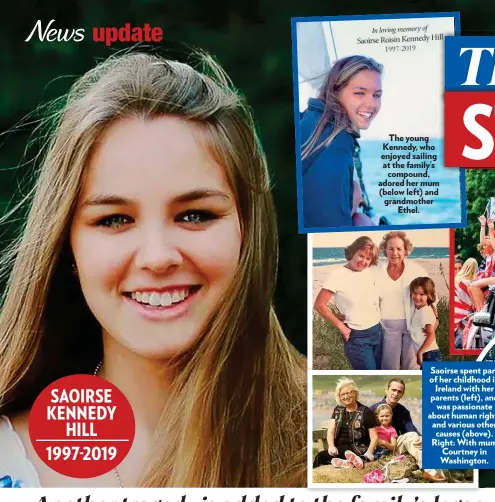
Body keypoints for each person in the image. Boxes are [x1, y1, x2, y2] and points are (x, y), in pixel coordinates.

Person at [0, 52, 306, 488]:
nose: (158, 257)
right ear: (67, 244)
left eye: (195, 215)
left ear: (248, 231)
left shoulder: (343, 445)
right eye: (114, 220)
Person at [300, 55, 382, 229]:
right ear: (335, 91)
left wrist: (356, 192)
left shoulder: (311, 119)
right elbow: (329, 227)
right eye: (360, 93)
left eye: (376, 95)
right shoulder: (335, 141)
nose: (371, 104)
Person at [314, 236, 382, 370]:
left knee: (379, 373)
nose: (363, 261)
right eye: (361, 256)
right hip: (357, 338)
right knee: (369, 375)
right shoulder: (337, 275)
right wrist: (341, 327)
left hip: (378, 333)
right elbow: (319, 305)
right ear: (352, 252)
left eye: (368, 259)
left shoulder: (368, 272)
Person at [374, 231, 433, 370]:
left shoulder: (417, 270)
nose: (395, 253)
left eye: (399, 249)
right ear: (384, 250)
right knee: (389, 366)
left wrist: (433, 322)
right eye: (390, 248)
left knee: (412, 365)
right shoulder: (376, 270)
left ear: (406, 250)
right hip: (387, 326)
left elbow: (430, 297)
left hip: (413, 325)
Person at [370, 378, 446, 482]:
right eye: (393, 390)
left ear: (402, 394)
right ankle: (437, 476)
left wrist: (420, 437)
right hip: (376, 447)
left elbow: (410, 429)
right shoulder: (373, 410)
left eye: (399, 391)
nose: (396, 394)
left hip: (394, 446)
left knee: (414, 437)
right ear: (386, 390)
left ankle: (431, 473)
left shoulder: (403, 411)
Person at [313, 378, 378, 468]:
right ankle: (348, 462)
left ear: (354, 393)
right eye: (342, 394)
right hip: (337, 449)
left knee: (345, 450)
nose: (345, 397)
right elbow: (330, 431)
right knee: (319, 457)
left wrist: (369, 452)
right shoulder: (337, 410)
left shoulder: (365, 412)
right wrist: (331, 446)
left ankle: (351, 461)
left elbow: (374, 437)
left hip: (358, 449)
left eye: (348, 393)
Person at [409, 277, 441, 367]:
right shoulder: (421, 309)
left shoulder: (424, 311)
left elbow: (431, 335)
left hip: (429, 354)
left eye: (422, 294)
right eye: (415, 293)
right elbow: (434, 324)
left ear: (429, 296)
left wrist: (420, 352)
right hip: (430, 353)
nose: (417, 297)